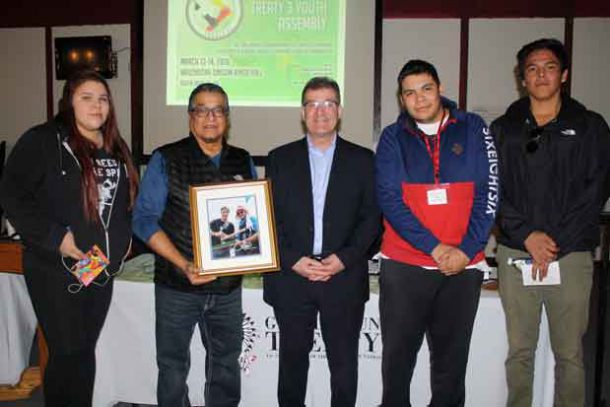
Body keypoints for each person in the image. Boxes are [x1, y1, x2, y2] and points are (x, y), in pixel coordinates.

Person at [0, 70, 138, 406]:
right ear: (68, 102)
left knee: (84, 350)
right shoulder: (43, 140)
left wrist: (126, 240)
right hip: (55, 267)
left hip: (98, 267)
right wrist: (56, 237)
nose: (97, 106)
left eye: (103, 99)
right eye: (86, 98)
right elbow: (12, 195)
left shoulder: (114, 145)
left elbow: (124, 202)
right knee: (65, 352)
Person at [492, 38, 610, 407]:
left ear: (564, 75)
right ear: (521, 79)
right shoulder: (503, 129)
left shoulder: (590, 126)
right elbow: (492, 190)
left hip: (570, 254)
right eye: (532, 68)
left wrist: (552, 241)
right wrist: (528, 236)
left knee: (570, 354)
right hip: (516, 252)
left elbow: (597, 188)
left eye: (549, 67)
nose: (541, 74)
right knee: (520, 353)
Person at [375, 59, 498, 406]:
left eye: (426, 89)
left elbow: (490, 192)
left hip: (462, 266)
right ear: (402, 99)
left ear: (440, 89)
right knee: (396, 365)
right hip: (404, 265)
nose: (420, 99)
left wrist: (466, 249)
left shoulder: (474, 128)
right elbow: (389, 199)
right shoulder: (392, 137)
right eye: (410, 93)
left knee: (450, 366)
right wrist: (435, 247)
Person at [132, 83, 257, 407]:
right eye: (202, 109)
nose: (210, 117)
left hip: (228, 289)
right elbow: (144, 220)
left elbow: (252, 223)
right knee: (173, 368)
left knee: (227, 364)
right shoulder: (166, 158)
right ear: (191, 117)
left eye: (218, 110)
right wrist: (183, 263)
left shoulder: (243, 160)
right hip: (177, 286)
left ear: (227, 118)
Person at [264, 76, 380, 407]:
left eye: (328, 103)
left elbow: (371, 219)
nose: (320, 111)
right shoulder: (279, 159)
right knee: (291, 367)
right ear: (303, 113)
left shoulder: (363, 161)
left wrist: (344, 258)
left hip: (342, 277)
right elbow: (268, 219)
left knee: (343, 369)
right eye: (312, 104)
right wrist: (292, 259)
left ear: (339, 110)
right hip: (292, 277)